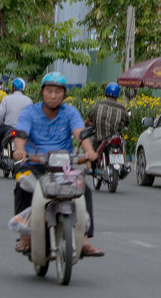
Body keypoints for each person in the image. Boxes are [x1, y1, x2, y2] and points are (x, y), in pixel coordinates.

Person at [10, 72, 103, 257]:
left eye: (58, 92)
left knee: (84, 190)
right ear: (42, 93)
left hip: (64, 166)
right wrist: (20, 151)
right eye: (49, 91)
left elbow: (80, 133)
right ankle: (25, 237)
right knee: (22, 186)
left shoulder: (70, 112)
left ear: (64, 95)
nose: (53, 96)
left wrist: (89, 152)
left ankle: (84, 241)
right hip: (35, 163)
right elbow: (21, 134)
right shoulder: (29, 112)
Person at [0, 78, 32, 161]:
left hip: (7, 128)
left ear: (13, 88)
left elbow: (0, 114)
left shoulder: (6, 99)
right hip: (23, 130)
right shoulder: (28, 101)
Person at [86, 82, 129, 149]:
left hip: (98, 141)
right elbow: (127, 123)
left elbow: (87, 122)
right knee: (122, 146)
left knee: (91, 151)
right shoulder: (122, 109)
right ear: (118, 94)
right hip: (116, 142)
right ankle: (123, 159)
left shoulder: (97, 105)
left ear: (106, 92)